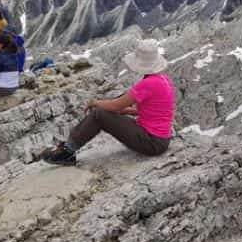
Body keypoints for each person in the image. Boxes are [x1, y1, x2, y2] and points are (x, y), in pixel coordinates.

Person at [42, 39, 174, 166]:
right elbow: (153, 111)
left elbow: (116, 105)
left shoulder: (147, 84)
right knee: (105, 112)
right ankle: (68, 148)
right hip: (161, 140)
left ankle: (67, 152)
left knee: (99, 114)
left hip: (151, 142)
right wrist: (124, 111)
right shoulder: (163, 79)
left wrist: (96, 102)